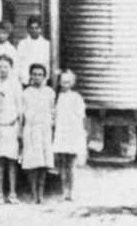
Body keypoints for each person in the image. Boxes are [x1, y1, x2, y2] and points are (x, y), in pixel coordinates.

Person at [0, 54, 22, 204]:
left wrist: (20, 129)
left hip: (11, 125)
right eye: (0, 66)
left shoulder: (15, 84)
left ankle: (13, 193)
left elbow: (20, 108)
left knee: (11, 160)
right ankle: (0, 194)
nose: (3, 69)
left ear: (11, 68)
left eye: (6, 67)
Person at [21, 63, 55, 204]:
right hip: (30, 129)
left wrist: (52, 128)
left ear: (45, 76)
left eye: (40, 74)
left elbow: (52, 112)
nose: (36, 77)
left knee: (44, 163)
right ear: (30, 76)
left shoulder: (49, 92)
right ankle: (34, 193)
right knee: (32, 162)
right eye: (34, 74)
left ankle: (41, 193)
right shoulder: (26, 93)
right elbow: (22, 114)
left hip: (45, 129)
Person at [53, 70, 87, 201]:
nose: (64, 84)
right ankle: (63, 191)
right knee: (62, 164)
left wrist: (82, 133)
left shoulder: (76, 97)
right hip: (61, 133)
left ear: (72, 83)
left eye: (67, 82)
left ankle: (71, 192)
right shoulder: (58, 97)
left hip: (72, 133)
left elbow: (81, 116)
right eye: (62, 81)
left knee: (71, 164)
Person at [17, 16, 51, 86]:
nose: (34, 30)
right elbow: (19, 63)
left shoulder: (46, 44)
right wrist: (24, 78)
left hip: (42, 82)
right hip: (26, 81)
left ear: (40, 29)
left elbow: (47, 64)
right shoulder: (22, 44)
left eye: (36, 28)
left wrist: (44, 79)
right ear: (28, 29)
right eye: (31, 28)